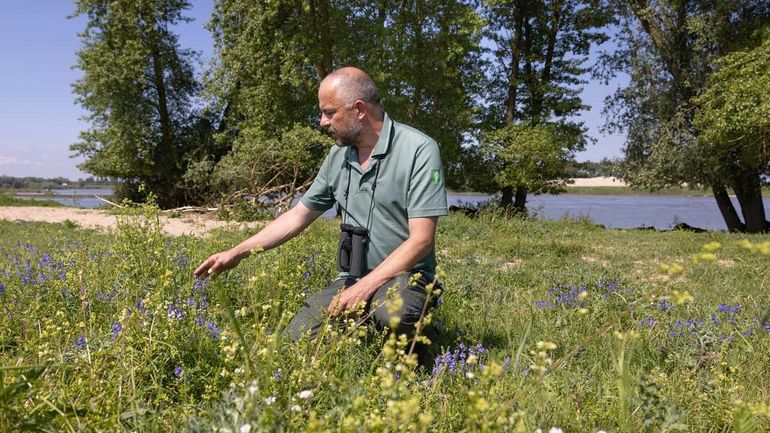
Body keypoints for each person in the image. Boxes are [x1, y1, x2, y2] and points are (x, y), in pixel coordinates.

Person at [193, 67, 447, 350]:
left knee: (393, 315)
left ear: (359, 109)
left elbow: (422, 239)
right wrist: (237, 253)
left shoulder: (418, 149)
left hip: (406, 277)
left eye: (329, 112)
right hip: (352, 278)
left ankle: (425, 340)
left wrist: (364, 289)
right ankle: (363, 326)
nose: (322, 122)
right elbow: (298, 215)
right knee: (297, 338)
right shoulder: (338, 155)